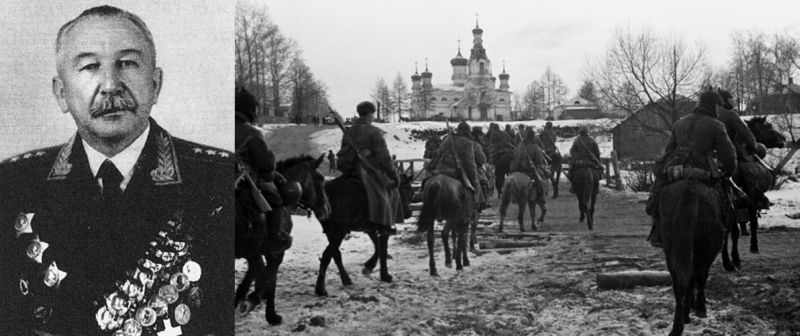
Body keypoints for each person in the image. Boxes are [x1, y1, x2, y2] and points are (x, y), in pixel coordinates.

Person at [0, 6, 232, 335]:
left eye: (127, 63)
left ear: (155, 84)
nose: (110, 84)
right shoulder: (13, 185)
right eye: (90, 66)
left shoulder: (217, 179)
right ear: (61, 93)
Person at [645, 90, 737, 247]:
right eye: (719, 106)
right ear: (714, 105)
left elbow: (668, 150)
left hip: (676, 170)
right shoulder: (717, 125)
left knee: (658, 194)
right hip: (703, 170)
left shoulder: (679, 123)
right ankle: (721, 230)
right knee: (725, 199)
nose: (720, 110)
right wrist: (729, 171)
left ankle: (657, 231)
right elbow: (728, 157)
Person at [235, 85, 290, 256]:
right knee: (276, 200)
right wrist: (270, 173)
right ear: (249, 109)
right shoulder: (251, 132)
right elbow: (267, 165)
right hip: (244, 182)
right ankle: (274, 241)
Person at [336, 101, 402, 229]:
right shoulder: (374, 131)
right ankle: (385, 225)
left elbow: (342, 152)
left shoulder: (348, 131)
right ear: (370, 114)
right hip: (367, 170)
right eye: (373, 114)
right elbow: (384, 157)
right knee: (390, 192)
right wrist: (394, 175)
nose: (373, 117)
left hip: (349, 169)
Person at [426, 121, 479, 214]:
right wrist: (474, 180)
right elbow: (470, 163)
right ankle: (470, 210)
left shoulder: (448, 139)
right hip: (455, 170)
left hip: (439, 169)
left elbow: (438, 154)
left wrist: (431, 167)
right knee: (471, 191)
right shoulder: (468, 143)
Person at [510, 128, 549, 203]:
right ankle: (541, 196)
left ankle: (513, 197)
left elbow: (515, 156)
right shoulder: (534, 147)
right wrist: (538, 165)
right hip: (530, 169)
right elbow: (539, 161)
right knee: (541, 180)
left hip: (518, 168)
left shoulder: (520, 145)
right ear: (532, 137)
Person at [567, 127, 603, 193]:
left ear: (580, 133)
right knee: (599, 171)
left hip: (579, 162)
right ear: (587, 132)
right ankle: (596, 187)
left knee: (571, 172)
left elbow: (572, 152)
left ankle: (573, 187)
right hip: (590, 162)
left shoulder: (576, 141)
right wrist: (598, 161)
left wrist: (573, 160)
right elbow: (597, 153)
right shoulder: (592, 140)